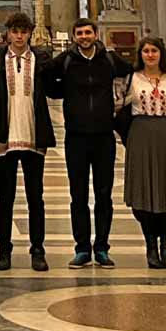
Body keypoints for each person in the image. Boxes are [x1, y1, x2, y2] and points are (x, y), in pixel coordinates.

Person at [48, 16, 132, 267]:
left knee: (104, 194)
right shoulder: (66, 60)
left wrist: (119, 106)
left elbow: (131, 73)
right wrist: (65, 94)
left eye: (88, 33)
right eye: (79, 33)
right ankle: (82, 247)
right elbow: (46, 78)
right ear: (74, 37)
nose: (84, 37)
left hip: (104, 136)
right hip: (75, 136)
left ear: (95, 34)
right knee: (78, 195)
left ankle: (102, 247)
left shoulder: (109, 59)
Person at [0, 11, 53, 271]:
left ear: (30, 33)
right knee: (5, 199)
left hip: (34, 137)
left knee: (36, 198)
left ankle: (38, 250)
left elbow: (54, 87)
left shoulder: (41, 60)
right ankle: (5, 250)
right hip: (6, 138)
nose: (19, 36)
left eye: (23, 31)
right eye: (15, 31)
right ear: (8, 33)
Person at [122, 36, 166, 269]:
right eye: (146, 51)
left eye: (154, 51)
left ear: (161, 53)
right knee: (145, 191)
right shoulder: (133, 78)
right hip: (141, 135)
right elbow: (119, 104)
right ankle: (151, 246)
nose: (150, 55)